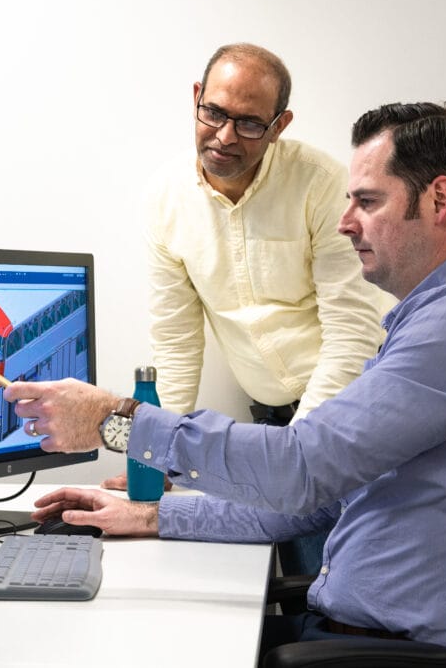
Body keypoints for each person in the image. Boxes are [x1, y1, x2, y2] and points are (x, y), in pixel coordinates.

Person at [9, 100, 446, 666]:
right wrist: (150, 515)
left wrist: (116, 421)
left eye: (368, 201)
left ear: (439, 200)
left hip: (399, 657)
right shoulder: (437, 318)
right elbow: (322, 496)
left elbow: (300, 469)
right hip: (359, 639)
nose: (346, 220)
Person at [104, 43, 386, 575]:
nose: (225, 136)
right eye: (214, 113)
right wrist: (159, 457)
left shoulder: (322, 186)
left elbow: (352, 332)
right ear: (195, 99)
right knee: (272, 576)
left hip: (345, 413)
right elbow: (177, 340)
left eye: (250, 123)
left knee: (329, 585)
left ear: (280, 125)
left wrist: (297, 459)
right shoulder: (165, 199)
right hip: (267, 420)